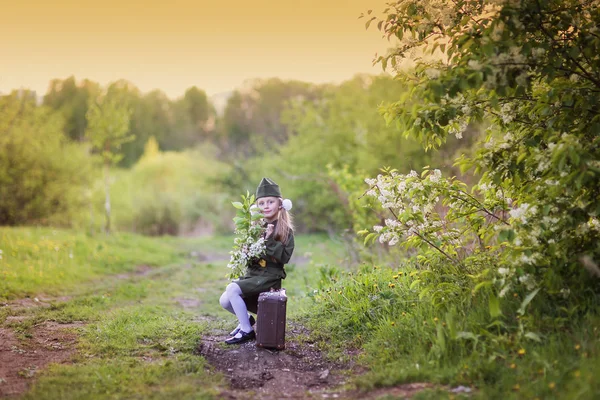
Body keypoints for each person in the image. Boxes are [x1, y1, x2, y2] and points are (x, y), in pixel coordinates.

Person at [219, 177, 295, 344]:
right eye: (261, 203)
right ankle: (247, 320)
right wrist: (245, 252)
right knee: (224, 300)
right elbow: (252, 259)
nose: (266, 206)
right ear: (257, 207)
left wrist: (269, 240)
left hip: (269, 277)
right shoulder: (255, 228)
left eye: (270, 202)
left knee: (232, 289)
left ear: (280, 204)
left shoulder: (285, 230)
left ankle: (246, 330)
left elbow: (284, 257)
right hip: (254, 274)